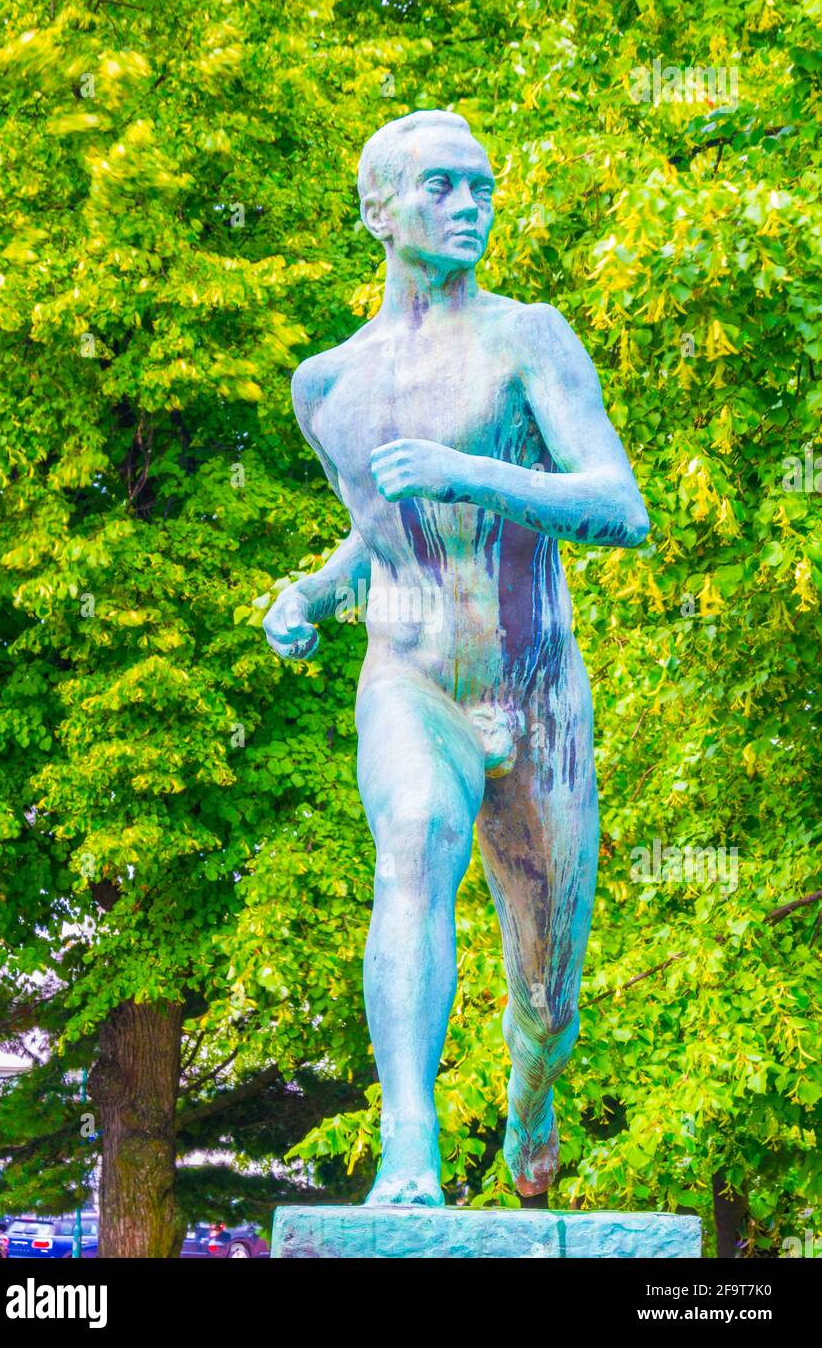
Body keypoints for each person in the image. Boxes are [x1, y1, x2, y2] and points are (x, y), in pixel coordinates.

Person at [263, 110, 649, 1205]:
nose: (470, 207)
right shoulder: (325, 387)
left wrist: (466, 471)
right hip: (410, 677)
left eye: (480, 188)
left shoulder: (528, 336)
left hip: (534, 697)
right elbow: (376, 527)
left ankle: (532, 1092)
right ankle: (408, 1151)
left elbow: (619, 507)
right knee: (416, 840)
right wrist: (310, 593)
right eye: (441, 189)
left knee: (546, 995)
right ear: (378, 212)